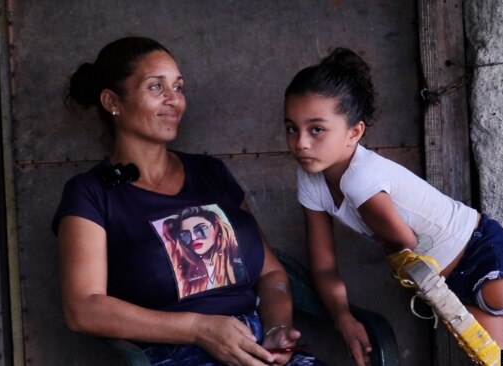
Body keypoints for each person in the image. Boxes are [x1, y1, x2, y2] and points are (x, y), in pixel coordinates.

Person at [52, 36, 325, 366]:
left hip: (256, 350)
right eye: (156, 87)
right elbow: (83, 308)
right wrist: (199, 328)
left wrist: (277, 329)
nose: (174, 101)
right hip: (178, 354)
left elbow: (271, 274)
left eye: (178, 87)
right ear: (113, 101)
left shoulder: (210, 172)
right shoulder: (91, 193)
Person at [282, 47, 503, 365]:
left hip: (482, 255)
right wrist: (342, 317)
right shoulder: (310, 179)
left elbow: (403, 242)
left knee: (494, 352)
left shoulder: (360, 178)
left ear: (354, 132)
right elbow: (324, 266)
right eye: (292, 128)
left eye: (316, 129)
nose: (301, 142)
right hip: (447, 277)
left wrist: (393, 253)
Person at [159, 205, 249, 298]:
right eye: (185, 235)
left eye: (200, 229)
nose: (194, 238)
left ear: (216, 227)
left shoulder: (236, 258)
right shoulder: (186, 272)